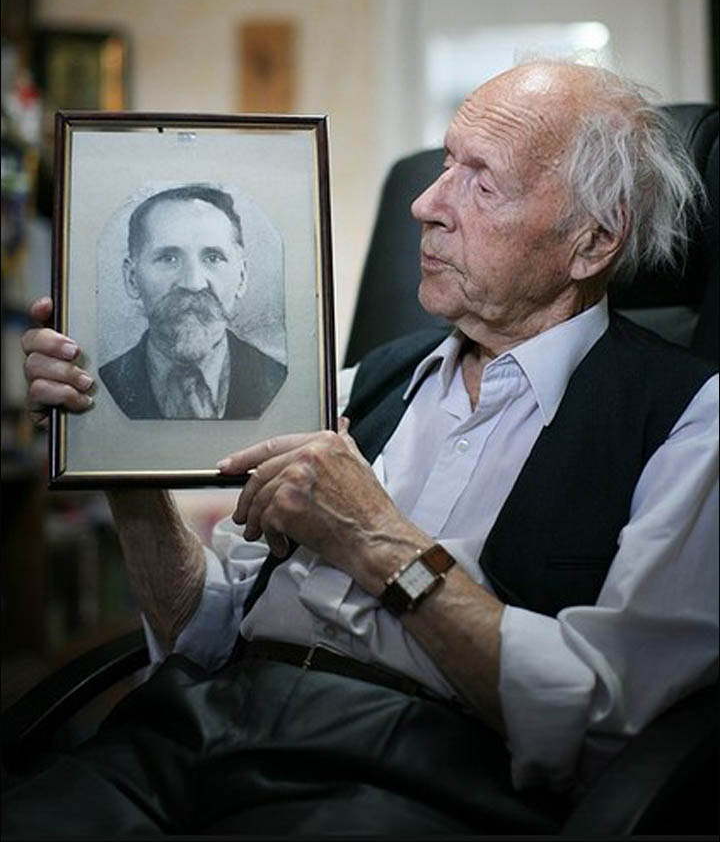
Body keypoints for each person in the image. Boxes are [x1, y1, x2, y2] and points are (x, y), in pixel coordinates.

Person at [8, 61, 718, 838]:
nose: (426, 204)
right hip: (189, 731)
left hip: (412, 774)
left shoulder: (687, 418)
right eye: (446, 162)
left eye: (480, 181)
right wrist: (114, 451)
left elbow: (602, 720)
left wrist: (375, 539)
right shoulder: (353, 387)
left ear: (593, 241)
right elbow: (201, 633)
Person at [97, 183, 287, 419]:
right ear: (132, 278)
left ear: (242, 276)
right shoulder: (96, 388)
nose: (193, 283)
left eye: (213, 258)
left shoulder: (280, 383)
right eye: (168, 258)